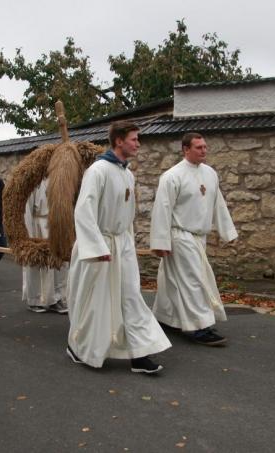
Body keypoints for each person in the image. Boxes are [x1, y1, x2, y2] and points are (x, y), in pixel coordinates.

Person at [66, 121, 171, 374]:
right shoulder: (97, 171)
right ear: (118, 141)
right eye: (134, 139)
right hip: (99, 246)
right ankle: (80, 347)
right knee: (96, 302)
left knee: (131, 297)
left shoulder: (127, 173)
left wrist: (127, 245)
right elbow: (84, 210)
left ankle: (139, 354)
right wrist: (97, 247)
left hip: (121, 245)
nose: (138, 144)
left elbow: (127, 215)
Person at [149, 132, 238, 346]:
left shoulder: (210, 174)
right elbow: (162, 209)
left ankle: (166, 317)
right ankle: (200, 327)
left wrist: (228, 232)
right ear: (185, 149)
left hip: (199, 237)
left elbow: (218, 203)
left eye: (205, 147)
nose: (204, 150)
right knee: (193, 281)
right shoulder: (172, 176)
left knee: (172, 280)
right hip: (180, 236)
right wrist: (160, 242)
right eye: (199, 147)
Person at [21, 178, 68, 314]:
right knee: (36, 264)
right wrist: (28, 236)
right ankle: (34, 299)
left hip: (55, 225)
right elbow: (27, 209)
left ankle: (57, 298)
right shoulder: (33, 180)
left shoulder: (58, 176)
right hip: (38, 226)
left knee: (58, 264)